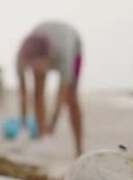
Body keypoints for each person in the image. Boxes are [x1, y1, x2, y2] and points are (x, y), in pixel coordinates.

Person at [17, 21, 84, 156]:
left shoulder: (64, 54)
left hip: (74, 48)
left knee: (71, 98)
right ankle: (42, 138)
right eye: (30, 68)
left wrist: (51, 128)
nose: (34, 71)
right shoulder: (20, 57)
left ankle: (78, 149)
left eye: (37, 66)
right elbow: (24, 92)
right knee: (38, 92)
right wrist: (23, 126)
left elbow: (61, 95)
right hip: (39, 46)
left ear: (47, 59)